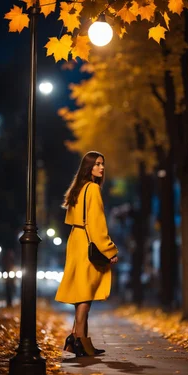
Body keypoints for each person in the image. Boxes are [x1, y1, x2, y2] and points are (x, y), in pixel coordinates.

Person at [55, 151, 118, 357]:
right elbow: (97, 224)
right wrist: (109, 250)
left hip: (76, 240)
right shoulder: (92, 189)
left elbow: (74, 219)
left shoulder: (78, 189)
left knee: (81, 292)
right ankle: (79, 341)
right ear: (88, 167)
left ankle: (76, 339)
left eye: (102, 164)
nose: (101, 168)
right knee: (85, 295)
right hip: (88, 242)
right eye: (97, 164)